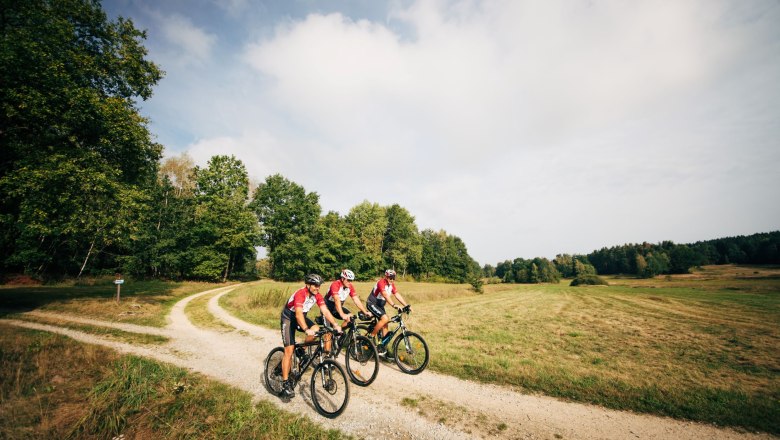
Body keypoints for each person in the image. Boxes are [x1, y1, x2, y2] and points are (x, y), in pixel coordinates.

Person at [279, 273, 342, 398]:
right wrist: (306, 329)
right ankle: (285, 383)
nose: (317, 287)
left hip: (301, 317)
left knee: (316, 328)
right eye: (314, 285)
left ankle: (302, 351)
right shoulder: (300, 294)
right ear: (307, 284)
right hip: (288, 318)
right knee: (289, 350)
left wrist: (335, 324)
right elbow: (297, 314)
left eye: (318, 285)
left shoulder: (317, 296)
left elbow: (325, 310)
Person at [365, 269, 411, 356]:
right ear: (386, 277)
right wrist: (394, 305)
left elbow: (397, 295)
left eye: (393, 278)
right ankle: (370, 337)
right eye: (390, 278)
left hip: (380, 306)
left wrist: (406, 305)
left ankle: (382, 347)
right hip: (372, 304)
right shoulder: (381, 283)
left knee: (385, 324)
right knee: (385, 318)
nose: (392, 280)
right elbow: (385, 295)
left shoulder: (391, 285)